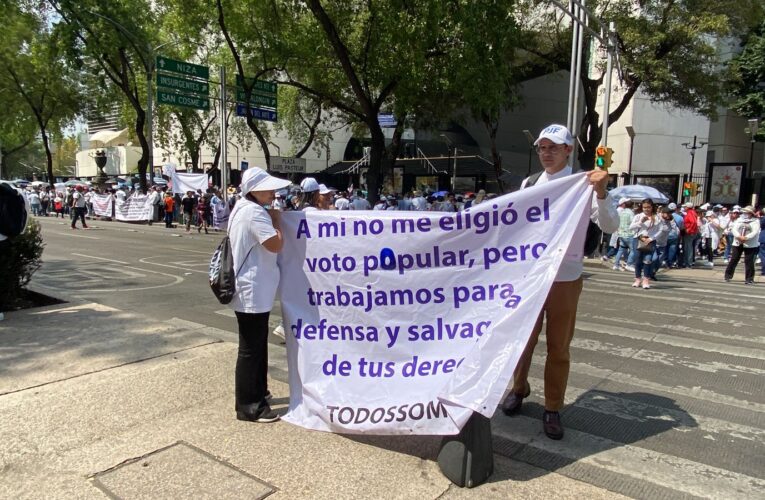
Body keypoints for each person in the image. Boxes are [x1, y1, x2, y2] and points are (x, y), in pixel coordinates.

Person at [500, 123, 618, 440]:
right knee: (523, 339)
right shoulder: (530, 183)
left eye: (554, 147)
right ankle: (519, 388)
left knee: (558, 347)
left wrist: (602, 192)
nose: (546, 153)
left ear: (568, 150)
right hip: (532, 277)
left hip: (565, 277)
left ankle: (552, 406)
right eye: (542, 147)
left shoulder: (585, 185)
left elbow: (610, 225)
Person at [227, 167, 291, 423]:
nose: (273, 193)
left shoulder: (243, 208)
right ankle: (249, 405)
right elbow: (275, 244)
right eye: (269, 188)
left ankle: (257, 392)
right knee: (251, 349)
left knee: (254, 346)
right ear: (254, 190)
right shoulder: (255, 213)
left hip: (251, 288)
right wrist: (276, 221)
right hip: (252, 290)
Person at [724, 206, 761, 284]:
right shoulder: (739, 220)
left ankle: (749, 279)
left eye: (747, 212)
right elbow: (734, 229)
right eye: (744, 212)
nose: (745, 213)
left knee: (749, 261)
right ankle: (728, 275)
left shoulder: (755, 221)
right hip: (737, 243)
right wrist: (738, 236)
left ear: (751, 213)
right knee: (734, 259)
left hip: (750, 244)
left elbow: (755, 232)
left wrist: (746, 238)